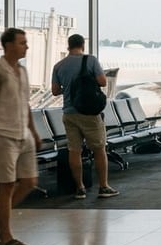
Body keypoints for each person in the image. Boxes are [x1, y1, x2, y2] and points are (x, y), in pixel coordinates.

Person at [0, 27, 43, 245]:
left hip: (23, 134)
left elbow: (25, 104)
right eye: (22, 43)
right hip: (2, 135)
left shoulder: (22, 72)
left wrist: (33, 132)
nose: (26, 46)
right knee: (6, 186)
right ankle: (5, 238)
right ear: (8, 45)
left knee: (29, 182)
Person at [51, 34, 119, 200]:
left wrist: (69, 88)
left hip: (69, 114)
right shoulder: (91, 60)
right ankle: (103, 186)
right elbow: (102, 82)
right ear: (82, 45)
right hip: (89, 113)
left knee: (74, 151)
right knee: (99, 149)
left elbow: (54, 91)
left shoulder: (58, 66)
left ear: (68, 46)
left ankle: (80, 188)